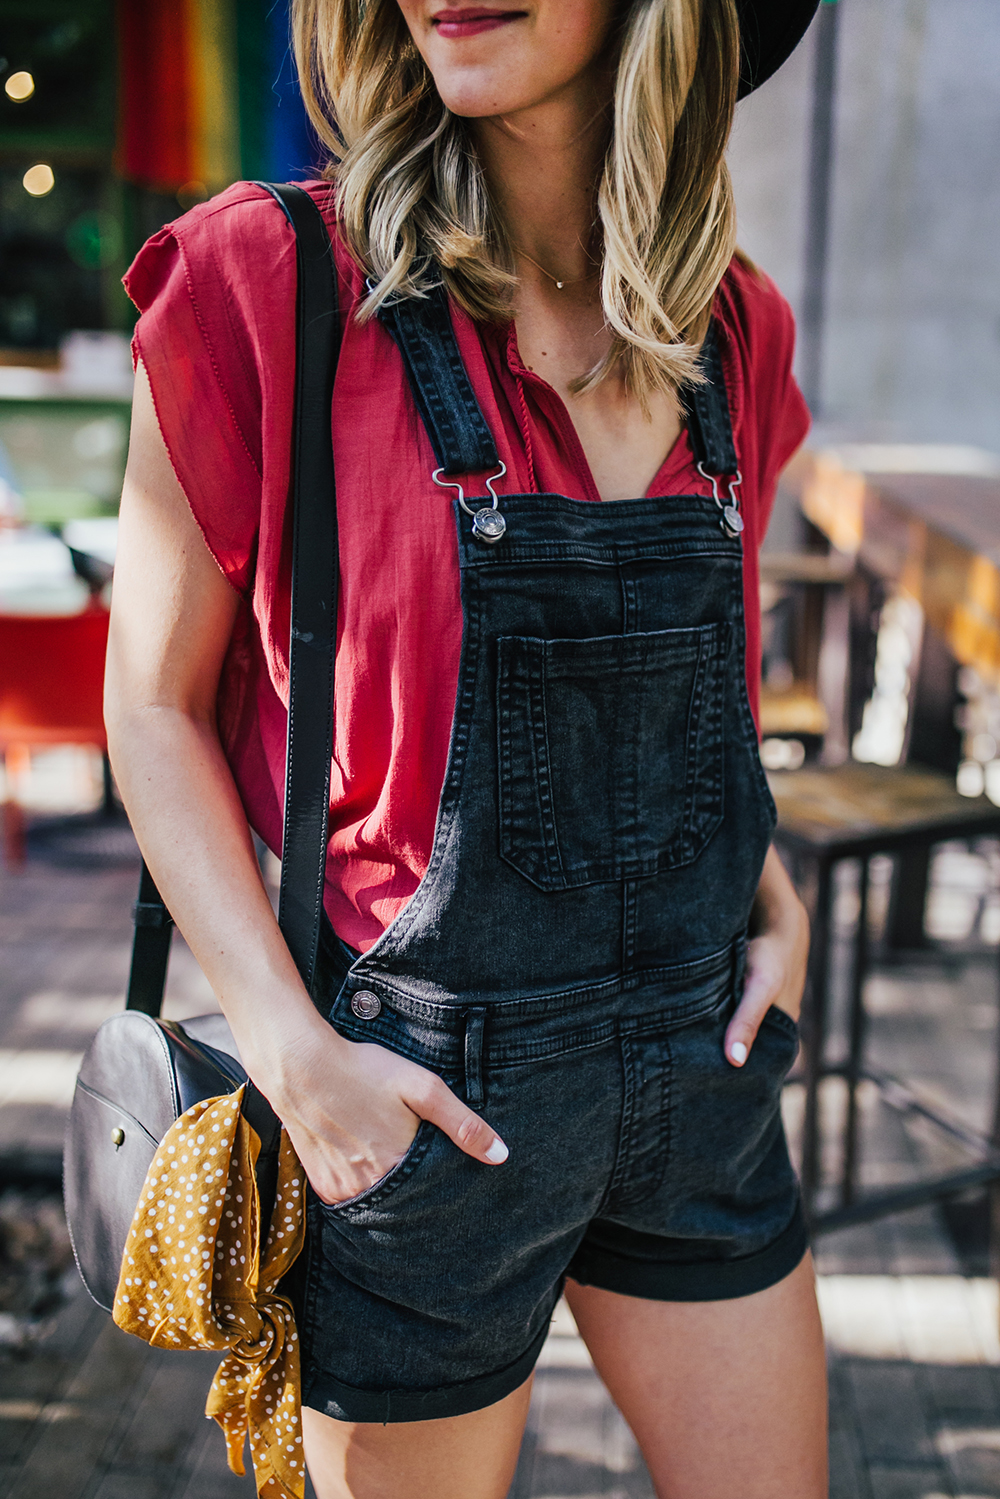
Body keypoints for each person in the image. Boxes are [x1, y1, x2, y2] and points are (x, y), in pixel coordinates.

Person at [105, 0, 828, 1494]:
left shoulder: (735, 326)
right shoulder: (268, 280)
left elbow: (706, 688)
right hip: (415, 1108)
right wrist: (297, 1054)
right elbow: (153, 706)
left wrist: (769, 893)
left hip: (703, 1075)